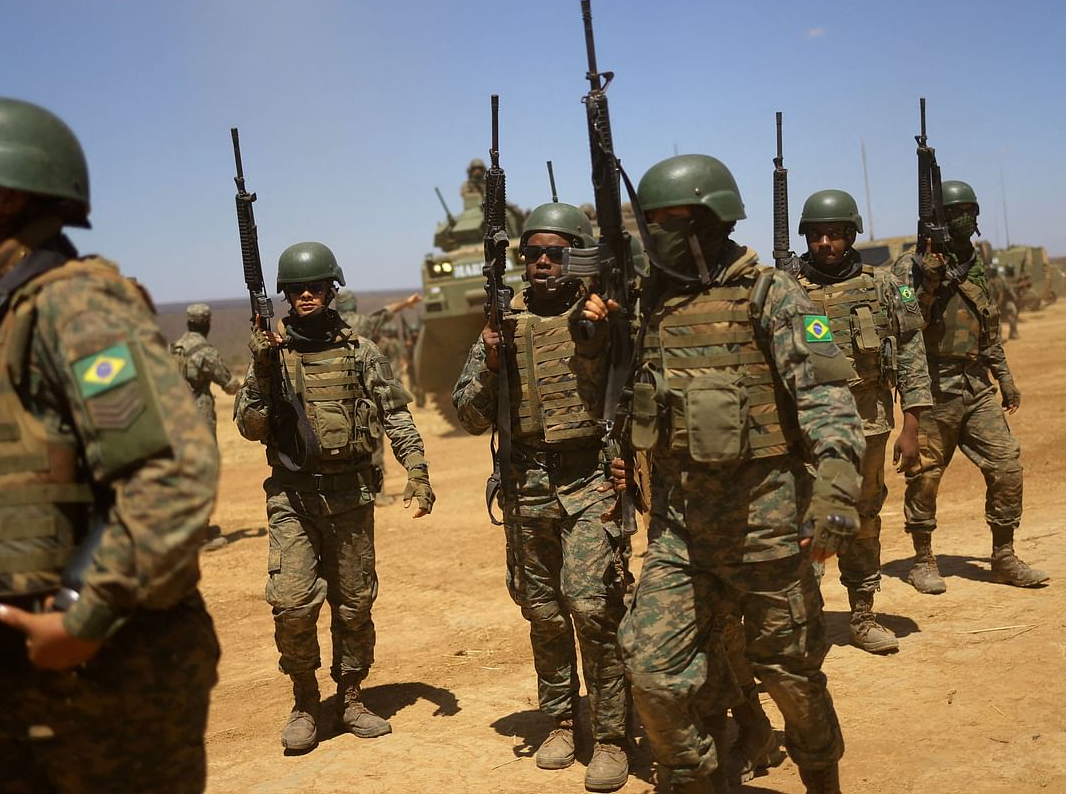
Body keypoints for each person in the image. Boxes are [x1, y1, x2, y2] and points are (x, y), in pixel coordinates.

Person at [0, 96, 220, 792]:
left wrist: (88, 614)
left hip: (100, 691)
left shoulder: (72, 306)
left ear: (3, 192)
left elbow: (172, 471)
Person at [595, 155, 864, 793]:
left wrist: (835, 487)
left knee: (789, 671)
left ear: (708, 223)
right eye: (648, 223)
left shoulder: (774, 294)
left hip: (767, 529)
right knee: (652, 669)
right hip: (680, 532)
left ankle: (821, 776)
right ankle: (697, 775)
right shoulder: (648, 305)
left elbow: (827, 398)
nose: (652, 236)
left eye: (665, 222)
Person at [452, 202, 632, 792]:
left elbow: (637, 392)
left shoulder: (602, 317)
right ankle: (559, 720)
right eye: (533, 255)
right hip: (526, 486)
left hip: (590, 482)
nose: (543, 264)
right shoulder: (505, 323)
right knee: (544, 613)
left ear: (576, 256)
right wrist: (492, 361)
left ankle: (610, 734)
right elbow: (469, 415)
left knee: (591, 605)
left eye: (556, 253)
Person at [234, 241, 434, 752]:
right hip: (293, 499)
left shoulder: (360, 352)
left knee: (353, 605)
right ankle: (304, 699)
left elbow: (395, 413)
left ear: (331, 290)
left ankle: (350, 697)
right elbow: (250, 427)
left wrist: (417, 470)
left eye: (314, 287)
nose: (305, 295)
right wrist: (261, 371)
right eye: (296, 289)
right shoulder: (272, 356)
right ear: (283, 295)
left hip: (350, 496)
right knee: (293, 605)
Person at [785, 189, 932, 653]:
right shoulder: (783, 290)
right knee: (804, 520)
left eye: (834, 234)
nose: (824, 242)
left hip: (867, 422)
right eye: (815, 235)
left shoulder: (887, 285)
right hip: (805, 427)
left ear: (851, 236)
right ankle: (803, 623)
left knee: (863, 518)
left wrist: (913, 423)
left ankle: (863, 614)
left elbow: (911, 352)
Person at [894, 180, 1047, 593]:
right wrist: (928, 283)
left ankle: (1004, 556)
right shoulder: (908, 266)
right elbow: (905, 324)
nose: (969, 219)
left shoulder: (974, 264)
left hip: (977, 386)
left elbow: (988, 326)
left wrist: (1006, 378)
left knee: (1007, 465)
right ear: (941, 217)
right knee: (924, 476)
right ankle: (923, 560)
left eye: (973, 211)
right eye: (960, 211)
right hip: (931, 390)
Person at [335, 288, 422, 505]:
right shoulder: (364, 322)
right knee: (373, 440)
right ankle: (377, 493)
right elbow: (386, 311)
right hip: (365, 393)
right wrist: (408, 302)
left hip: (336, 396)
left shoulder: (329, 326)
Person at [172, 302, 240, 435]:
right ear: (207, 323)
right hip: (199, 415)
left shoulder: (175, 347)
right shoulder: (204, 351)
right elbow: (230, 385)